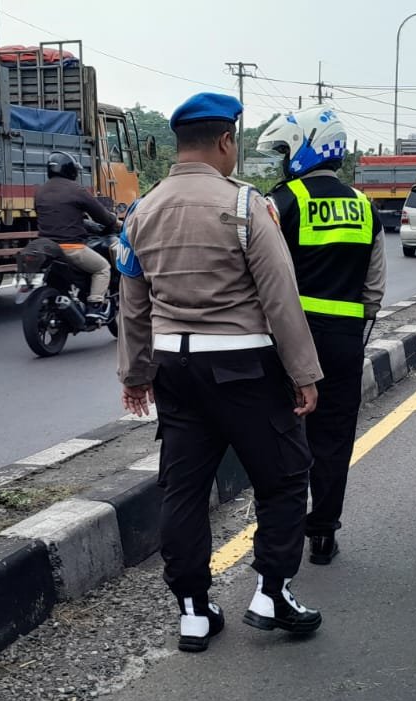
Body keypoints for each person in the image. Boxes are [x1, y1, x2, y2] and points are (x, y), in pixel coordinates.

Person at [116, 92, 325, 653]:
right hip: (244, 367)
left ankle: (192, 610)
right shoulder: (245, 204)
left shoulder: (141, 210)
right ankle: (272, 593)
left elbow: (132, 301)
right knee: (284, 477)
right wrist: (304, 372)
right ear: (226, 141)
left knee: (183, 490)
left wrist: (135, 373)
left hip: (174, 369)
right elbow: (280, 296)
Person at [257, 107, 385, 565]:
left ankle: (283, 532)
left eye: (284, 150)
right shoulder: (364, 206)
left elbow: (261, 274)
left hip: (287, 341)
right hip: (344, 341)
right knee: (334, 438)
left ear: (304, 147)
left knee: (283, 434)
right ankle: (324, 533)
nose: (281, 160)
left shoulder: (281, 201)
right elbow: (374, 289)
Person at [35, 150, 121, 321]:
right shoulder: (76, 190)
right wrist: (115, 223)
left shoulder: (40, 192)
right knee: (102, 268)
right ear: (70, 170)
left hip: (44, 247)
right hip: (70, 248)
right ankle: (95, 306)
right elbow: (102, 216)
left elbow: (58, 216)